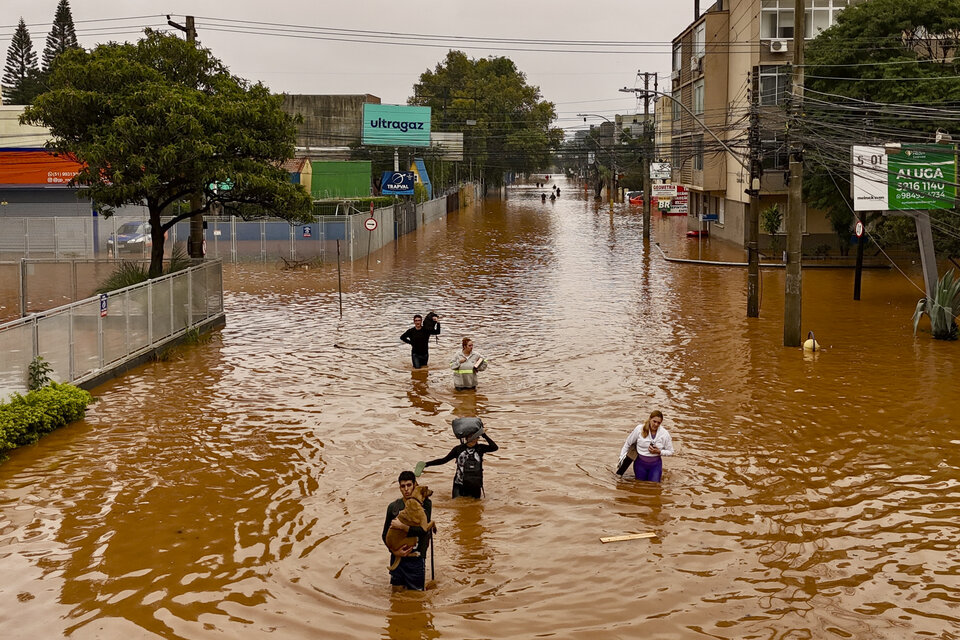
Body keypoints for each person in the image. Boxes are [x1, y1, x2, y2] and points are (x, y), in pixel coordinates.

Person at [381, 470, 434, 590]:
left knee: (416, 599)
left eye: (409, 485)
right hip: (397, 557)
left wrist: (403, 527)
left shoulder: (425, 504)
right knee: (396, 597)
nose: (406, 489)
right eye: (403, 486)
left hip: (416, 557)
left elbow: (423, 530)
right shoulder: (394, 507)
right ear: (399, 488)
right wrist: (394, 552)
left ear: (415, 485)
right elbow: (384, 535)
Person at [420, 423, 498, 498]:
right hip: (459, 485)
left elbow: (495, 447)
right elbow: (444, 460)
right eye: (471, 437)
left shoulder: (480, 448)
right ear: (466, 438)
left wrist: (484, 435)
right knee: (457, 506)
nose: (474, 440)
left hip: (475, 485)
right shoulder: (458, 449)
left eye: (476, 437)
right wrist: (426, 464)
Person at [616, 410, 674, 482]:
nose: (656, 424)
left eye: (658, 423)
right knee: (640, 486)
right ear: (650, 419)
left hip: (655, 465)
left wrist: (659, 451)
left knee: (654, 486)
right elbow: (628, 443)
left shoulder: (664, 434)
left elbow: (671, 452)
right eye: (654, 421)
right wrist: (621, 457)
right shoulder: (639, 429)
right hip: (640, 464)